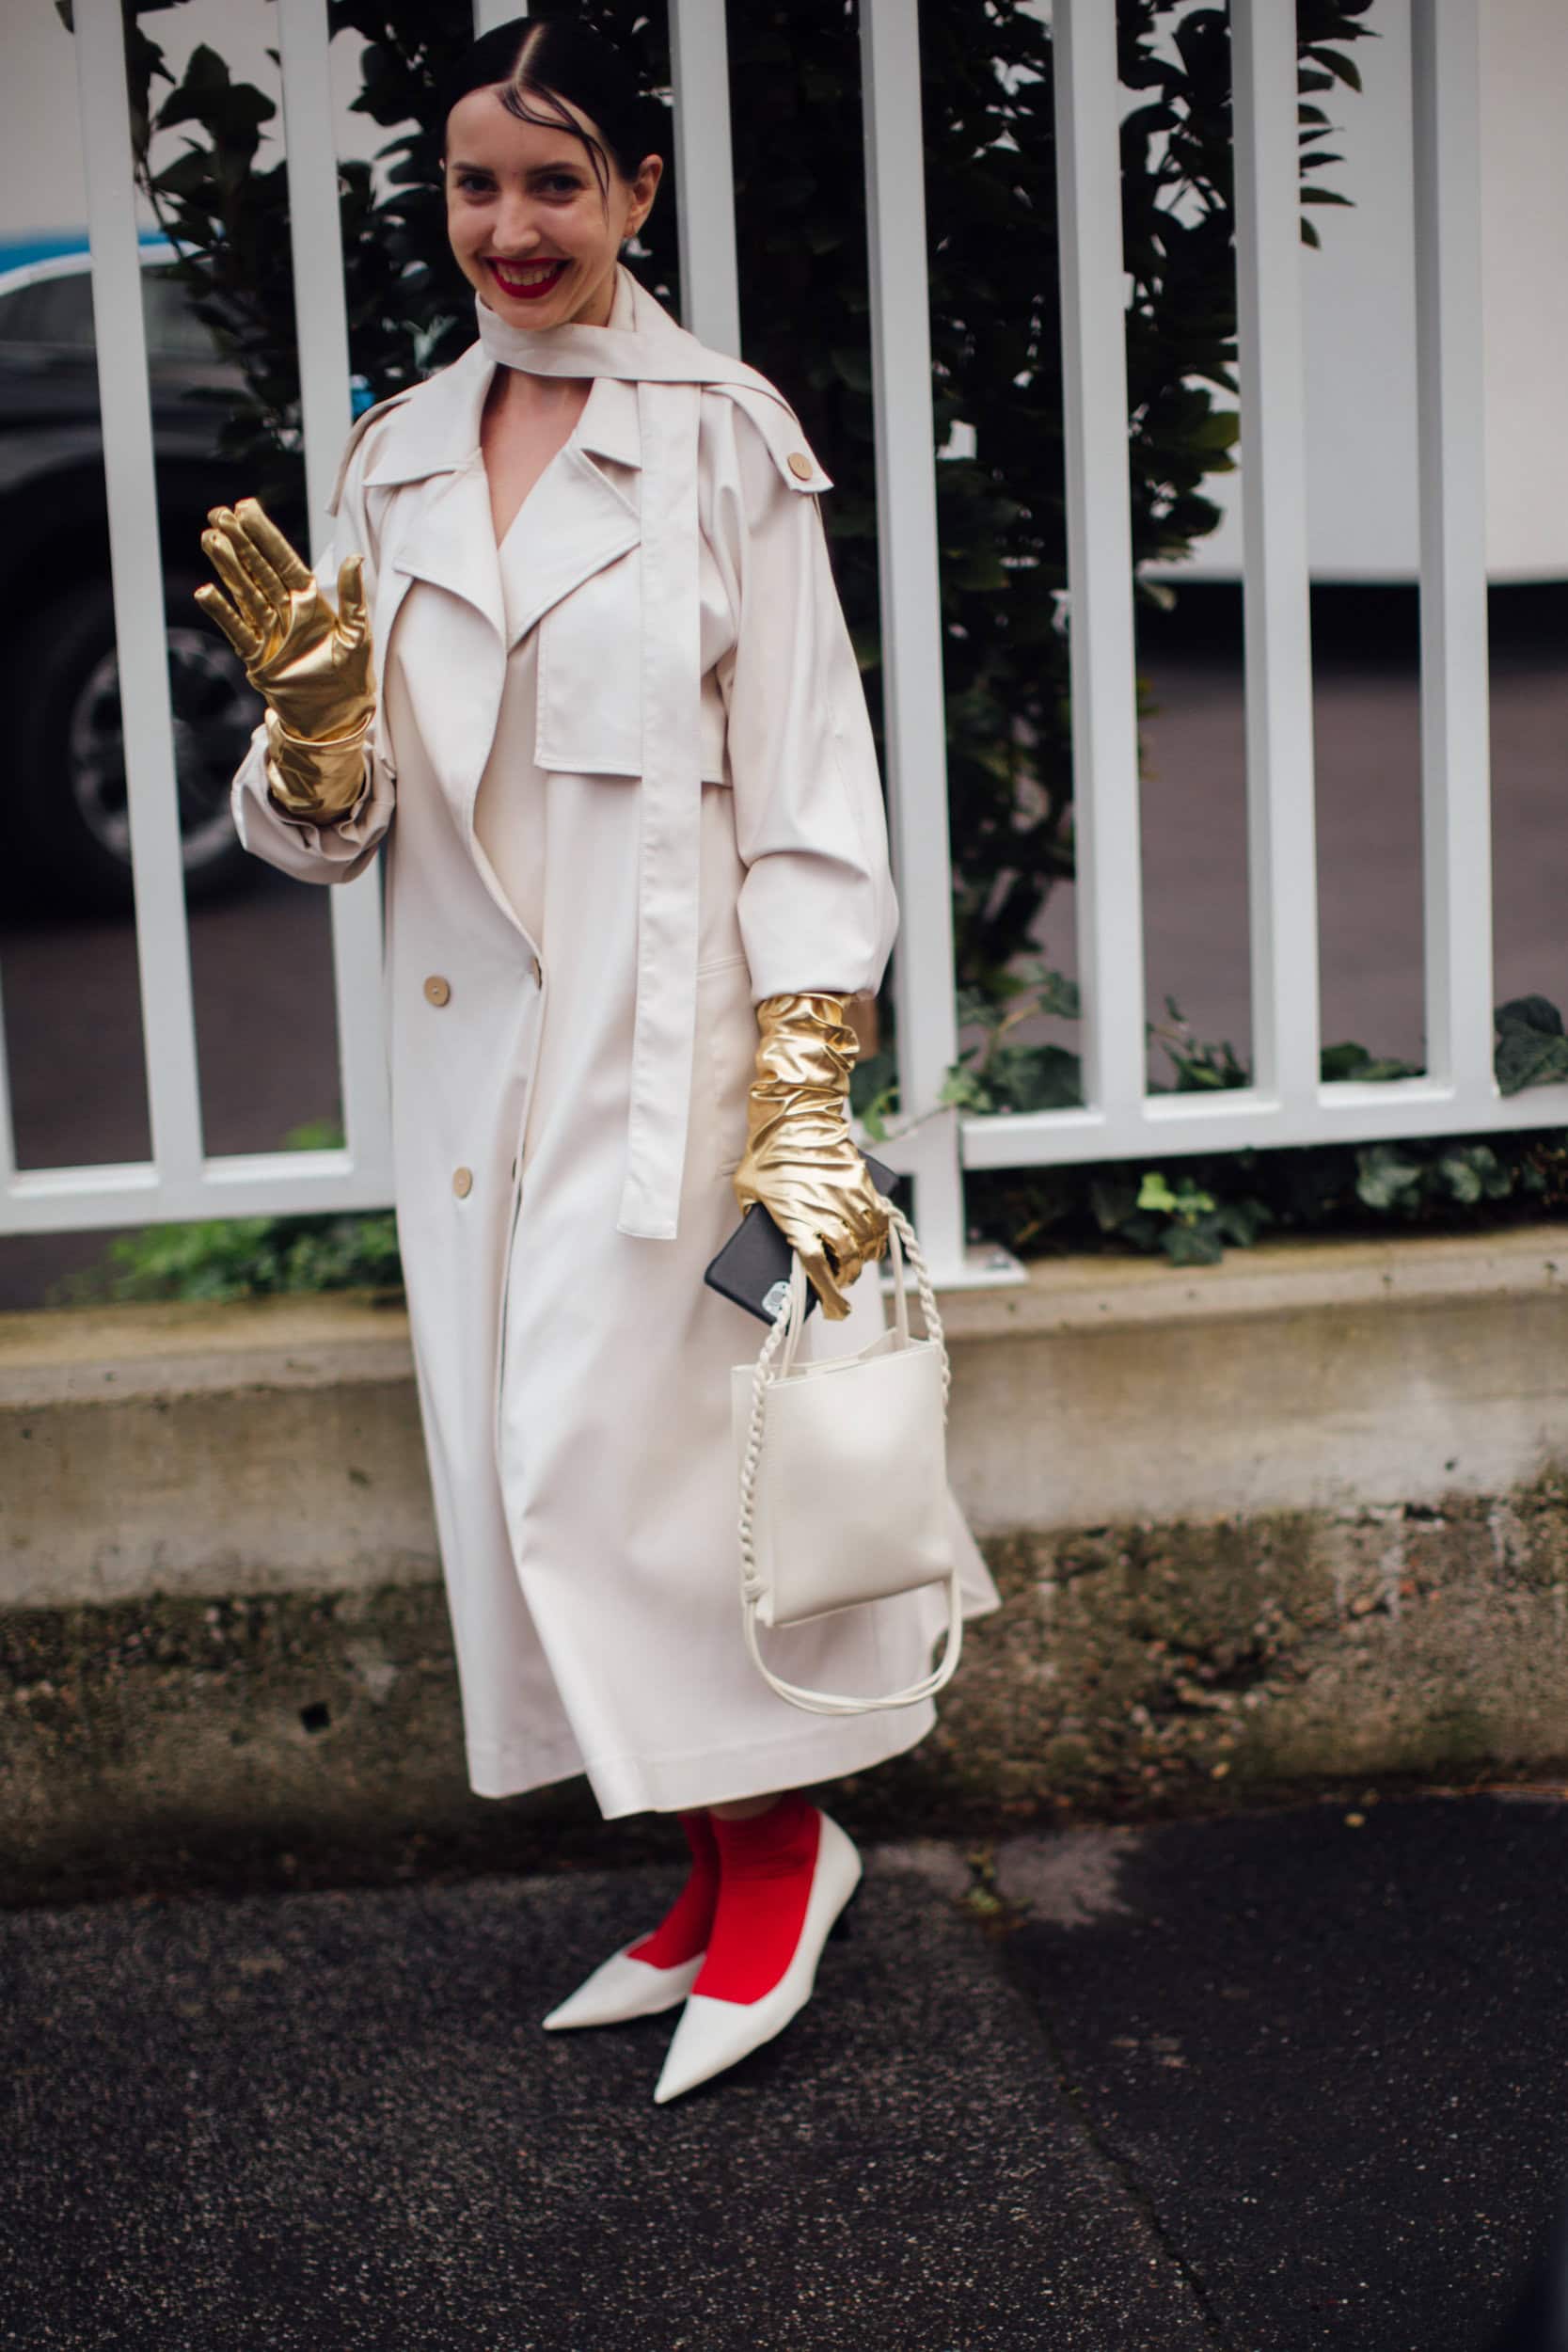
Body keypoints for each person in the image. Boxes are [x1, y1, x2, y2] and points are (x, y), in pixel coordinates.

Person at [197, 13, 997, 2104]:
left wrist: (803, 1093)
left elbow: (814, 792)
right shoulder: (391, 457)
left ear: (636, 191)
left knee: (637, 1487)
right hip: (479, 1085)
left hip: (682, 1069)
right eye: (477, 183)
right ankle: (726, 1863)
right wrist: (314, 733)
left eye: (557, 181)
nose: (514, 226)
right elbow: (333, 836)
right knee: (553, 1488)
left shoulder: (724, 438)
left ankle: (780, 1859)